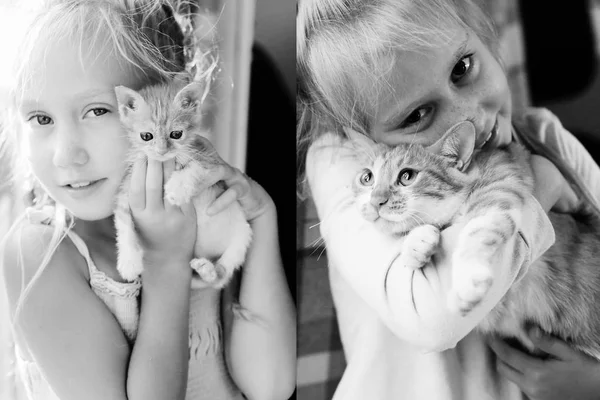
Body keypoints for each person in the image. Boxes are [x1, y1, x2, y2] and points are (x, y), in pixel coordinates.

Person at [297, 0, 600, 399]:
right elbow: (434, 320)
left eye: (463, 69)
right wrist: (540, 190)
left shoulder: (545, 136)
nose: (469, 116)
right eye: (417, 115)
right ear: (360, 139)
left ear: (486, 41)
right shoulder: (345, 168)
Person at [0, 1, 296, 400]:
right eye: (40, 119)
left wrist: (262, 218)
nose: (65, 155)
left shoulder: (194, 210)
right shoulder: (40, 253)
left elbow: (271, 386)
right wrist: (164, 263)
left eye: (97, 110)